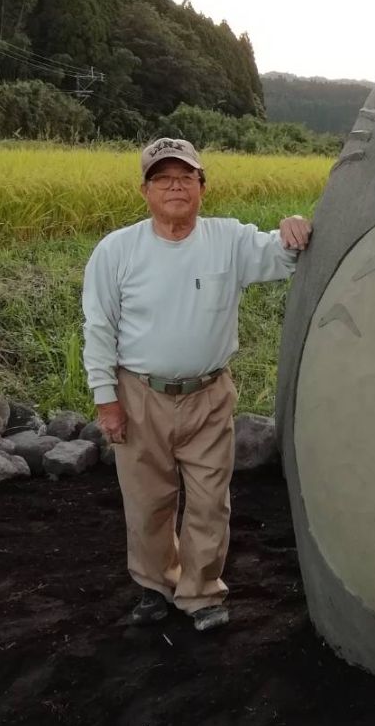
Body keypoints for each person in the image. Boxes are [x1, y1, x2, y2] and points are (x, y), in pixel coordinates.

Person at [82, 137, 313, 632]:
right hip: (139, 395)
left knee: (210, 502)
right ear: (144, 190)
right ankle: (153, 586)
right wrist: (107, 400)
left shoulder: (227, 239)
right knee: (148, 503)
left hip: (208, 397)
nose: (175, 186)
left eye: (186, 177)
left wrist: (295, 227)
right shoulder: (117, 251)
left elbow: (281, 253)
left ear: (202, 187)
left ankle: (202, 593)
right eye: (163, 178)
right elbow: (98, 327)